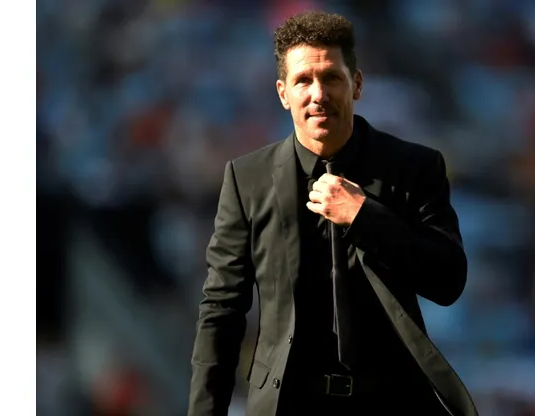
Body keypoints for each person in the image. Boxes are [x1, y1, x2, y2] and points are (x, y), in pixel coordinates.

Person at [187, 10, 478, 416]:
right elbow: (222, 309)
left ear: (356, 84)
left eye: (331, 78)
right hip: (287, 405)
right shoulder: (247, 180)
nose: (318, 94)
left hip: (392, 404)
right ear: (283, 93)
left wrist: (365, 217)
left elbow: (448, 281)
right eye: (303, 80)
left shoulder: (415, 169)